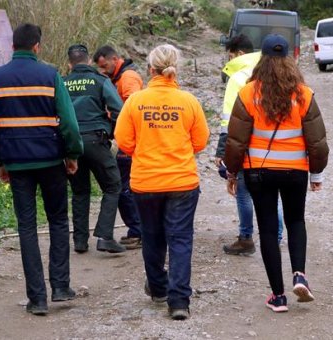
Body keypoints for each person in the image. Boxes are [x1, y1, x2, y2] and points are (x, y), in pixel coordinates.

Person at [0, 23, 83, 316]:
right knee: (58, 221)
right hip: (51, 162)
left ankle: (37, 299)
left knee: (26, 227)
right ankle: (61, 287)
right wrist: (72, 154)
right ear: (37, 46)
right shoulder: (50, 74)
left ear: (13, 46)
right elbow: (68, 123)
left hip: (17, 165)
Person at [224, 34, 329, 313]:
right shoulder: (303, 93)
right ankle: (299, 275)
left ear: (263, 59)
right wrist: (316, 174)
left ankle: (278, 296)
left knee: (268, 229)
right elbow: (317, 141)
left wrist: (232, 172)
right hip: (295, 170)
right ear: (289, 61)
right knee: (296, 222)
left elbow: (236, 140)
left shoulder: (248, 94)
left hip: (259, 172)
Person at [115, 44, 210, 320]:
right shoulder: (188, 101)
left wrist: (144, 150)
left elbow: (123, 141)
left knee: (152, 237)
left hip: (145, 183)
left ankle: (158, 288)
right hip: (182, 182)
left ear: (150, 69)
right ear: (175, 69)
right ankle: (179, 301)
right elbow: (200, 141)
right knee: (180, 239)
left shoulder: (135, 102)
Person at [215, 34, 284, 256]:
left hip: (248, 146)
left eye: (231, 55)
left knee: (243, 192)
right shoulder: (278, 73)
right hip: (277, 144)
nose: (230, 59)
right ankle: (278, 236)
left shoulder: (239, 78)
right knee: (274, 194)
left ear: (240, 54)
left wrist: (222, 152)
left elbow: (229, 119)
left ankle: (246, 238)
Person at [64, 44, 126, 254]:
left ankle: (80, 241)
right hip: (95, 141)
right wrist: (111, 132)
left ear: (69, 64)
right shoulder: (100, 81)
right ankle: (105, 236)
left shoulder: (62, 83)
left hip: (71, 145)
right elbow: (119, 109)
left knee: (80, 191)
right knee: (113, 185)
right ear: (89, 61)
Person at [93, 45, 143, 249]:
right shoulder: (117, 79)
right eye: (100, 68)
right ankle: (137, 230)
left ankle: (138, 232)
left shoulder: (128, 77)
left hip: (128, 142)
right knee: (123, 187)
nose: (103, 71)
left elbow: (133, 108)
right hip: (124, 140)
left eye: (105, 66)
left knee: (124, 188)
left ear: (115, 59)